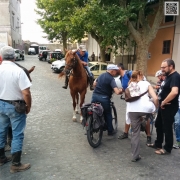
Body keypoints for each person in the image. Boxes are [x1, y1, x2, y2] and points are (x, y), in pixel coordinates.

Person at [0, 46, 32, 173]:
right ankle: (16, 164)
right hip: (15, 106)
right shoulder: (19, 71)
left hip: (1, 104)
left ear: (2, 57)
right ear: (14, 57)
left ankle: (1, 158)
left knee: (1, 131)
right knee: (17, 134)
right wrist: (28, 106)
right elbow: (26, 93)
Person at [148, 59, 180, 155]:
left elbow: (174, 92)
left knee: (167, 127)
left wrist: (164, 102)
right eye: (161, 67)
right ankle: (158, 143)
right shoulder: (168, 76)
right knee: (158, 124)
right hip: (163, 106)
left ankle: (167, 148)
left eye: (164, 67)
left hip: (169, 106)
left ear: (171, 67)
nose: (162, 69)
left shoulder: (175, 76)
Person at [126, 71, 158, 162]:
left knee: (135, 133)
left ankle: (135, 156)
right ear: (141, 76)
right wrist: (156, 107)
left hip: (132, 110)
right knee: (150, 107)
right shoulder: (146, 83)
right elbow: (155, 98)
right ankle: (145, 119)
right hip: (145, 108)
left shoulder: (130, 84)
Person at [92, 64, 122, 135]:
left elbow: (94, 84)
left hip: (94, 96)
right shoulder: (111, 79)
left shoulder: (101, 75)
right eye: (115, 71)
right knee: (108, 113)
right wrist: (121, 90)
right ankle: (110, 130)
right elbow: (117, 92)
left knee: (93, 111)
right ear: (112, 71)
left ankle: (91, 125)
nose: (116, 73)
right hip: (104, 98)